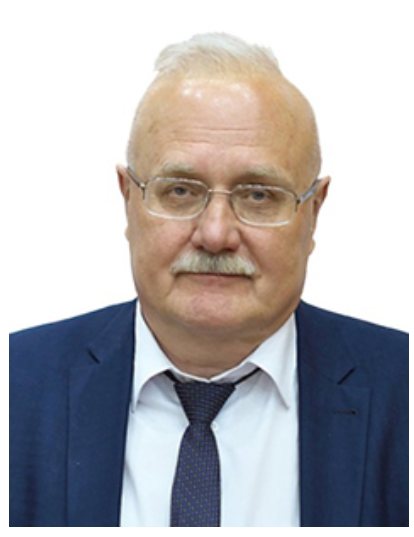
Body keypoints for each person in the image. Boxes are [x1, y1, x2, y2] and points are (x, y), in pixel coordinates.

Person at [9, 33, 408, 527]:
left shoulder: (402, 388)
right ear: (128, 201)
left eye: (259, 195)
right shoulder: (17, 385)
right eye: (179, 190)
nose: (216, 234)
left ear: (314, 213)